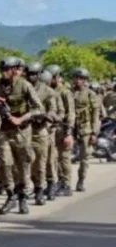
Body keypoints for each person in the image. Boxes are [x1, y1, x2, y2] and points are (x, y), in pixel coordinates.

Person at [0, 56, 43, 215]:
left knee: (23, 165)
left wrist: (21, 118)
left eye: (7, 70)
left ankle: (22, 197)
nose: (4, 73)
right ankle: (10, 194)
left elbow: (38, 108)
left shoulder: (24, 85)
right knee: (6, 163)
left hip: (22, 131)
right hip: (4, 130)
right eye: (2, 70)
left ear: (14, 70)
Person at [26, 62, 59, 205]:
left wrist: (48, 116)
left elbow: (53, 109)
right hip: (25, 130)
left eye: (34, 74)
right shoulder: (23, 88)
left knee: (41, 162)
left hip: (40, 131)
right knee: (26, 162)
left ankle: (40, 189)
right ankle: (28, 187)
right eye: (29, 74)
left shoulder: (48, 91)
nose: (31, 76)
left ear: (39, 75)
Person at [45, 65, 76, 197]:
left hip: (63, 129)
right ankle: (58, 181)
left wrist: (68, 133)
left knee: (64, 158)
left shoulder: (64, 91)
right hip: (53, 130)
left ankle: (67, 185)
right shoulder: (48, 90)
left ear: (57, 77)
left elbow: (71, 113)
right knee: (54, 158)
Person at [70, 67, 102, 192]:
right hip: (71, 128)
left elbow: (95, 114)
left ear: (85, 80)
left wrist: (94, 132)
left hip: (85, 128)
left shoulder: (90, 94)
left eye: (82, 78)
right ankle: (63, 182)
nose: (78, 80)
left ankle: (81, 180)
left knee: (84, 157)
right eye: (77, 78)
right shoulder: (69, 92)